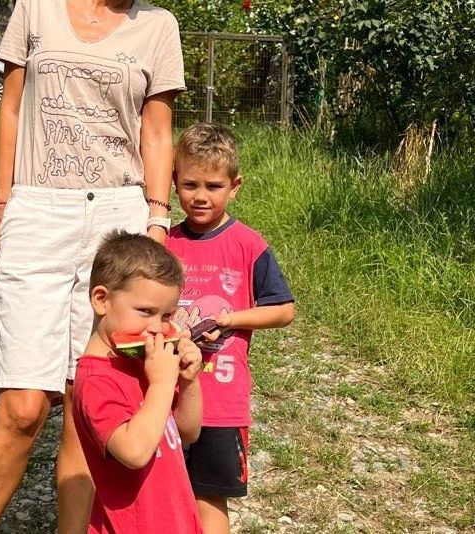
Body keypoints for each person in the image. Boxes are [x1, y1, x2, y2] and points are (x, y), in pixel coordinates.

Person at [0, 0, 185, 531]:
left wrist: (157, 221)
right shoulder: (36, 8)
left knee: (84, 399)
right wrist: (4, 203)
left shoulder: (159, 26)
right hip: (38, 209)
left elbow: (157, 132)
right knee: (22, 407)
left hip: (119, 214)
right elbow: (10, 108)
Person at [165, 123, 296, 534]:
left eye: (214, 186)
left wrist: (229, 319)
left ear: (235, 187)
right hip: (163, 396)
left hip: (221, 402)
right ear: (173, 181)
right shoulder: (164, 243)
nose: (200, 196)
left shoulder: (249, 245)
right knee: (162, 492)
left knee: (208, 496)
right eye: (190, 184)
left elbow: (283, 310)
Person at [72, 231, 204, 533]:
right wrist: (161, 385)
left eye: (167, 315)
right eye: (145, 311)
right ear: (102, 300)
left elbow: (188, 432)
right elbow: (133, 452)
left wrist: (188, 381)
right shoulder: (96, 379)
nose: (157, 327)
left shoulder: (144, 364)